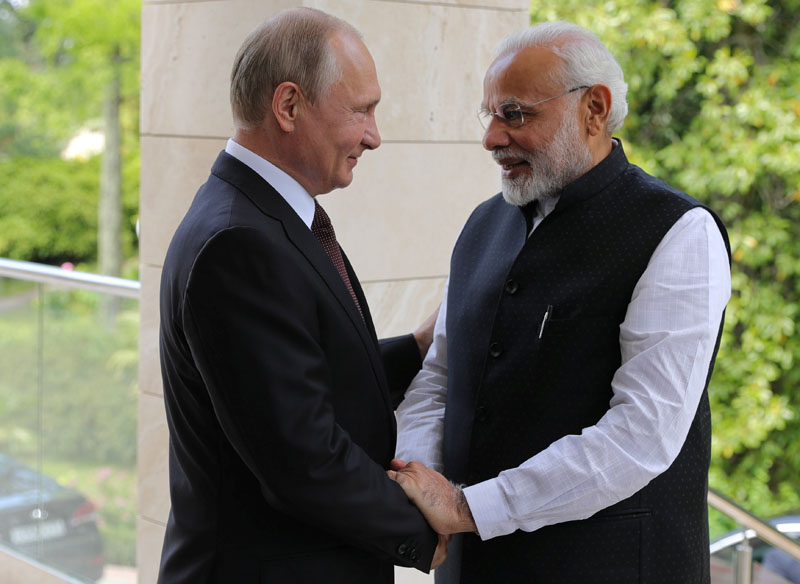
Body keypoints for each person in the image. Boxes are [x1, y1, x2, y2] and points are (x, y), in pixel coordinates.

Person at [390, 20, 731, 584]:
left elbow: (643, 433)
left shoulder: (679, 232)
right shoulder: (481, 224)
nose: (492, 138)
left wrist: (471, 509)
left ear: (594, 109)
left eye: (515, 114)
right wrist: (420, 480)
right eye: (490, 115)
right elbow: (439, 379)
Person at [157, 8, 444, 583]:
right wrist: (431, 530)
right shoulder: (240, 242)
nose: (374, 136)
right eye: (361, 110)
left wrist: (420, 345)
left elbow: (303, 381)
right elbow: (301, 458)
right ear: (288, 106)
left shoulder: (261, 216)